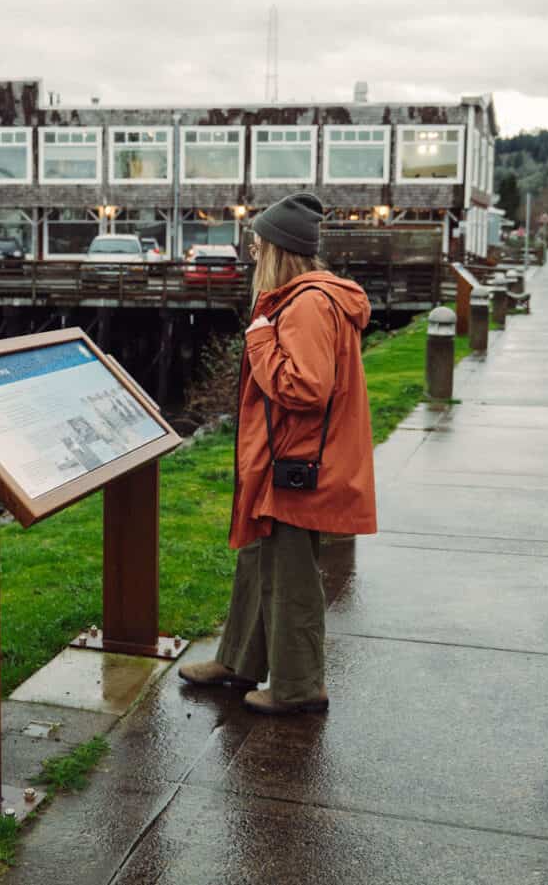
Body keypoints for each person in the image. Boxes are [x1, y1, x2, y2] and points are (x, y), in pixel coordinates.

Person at [179, 192, 377, 715]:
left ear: (276, 250)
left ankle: (297, 686)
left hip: (299, 464)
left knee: (290, 574)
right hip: (287, 460)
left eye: (256, 243)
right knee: (258, 560)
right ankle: (239, 662)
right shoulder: (304, 298)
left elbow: (306, 388)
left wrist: (261, 340)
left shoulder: (307, 304)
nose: (250, 253)